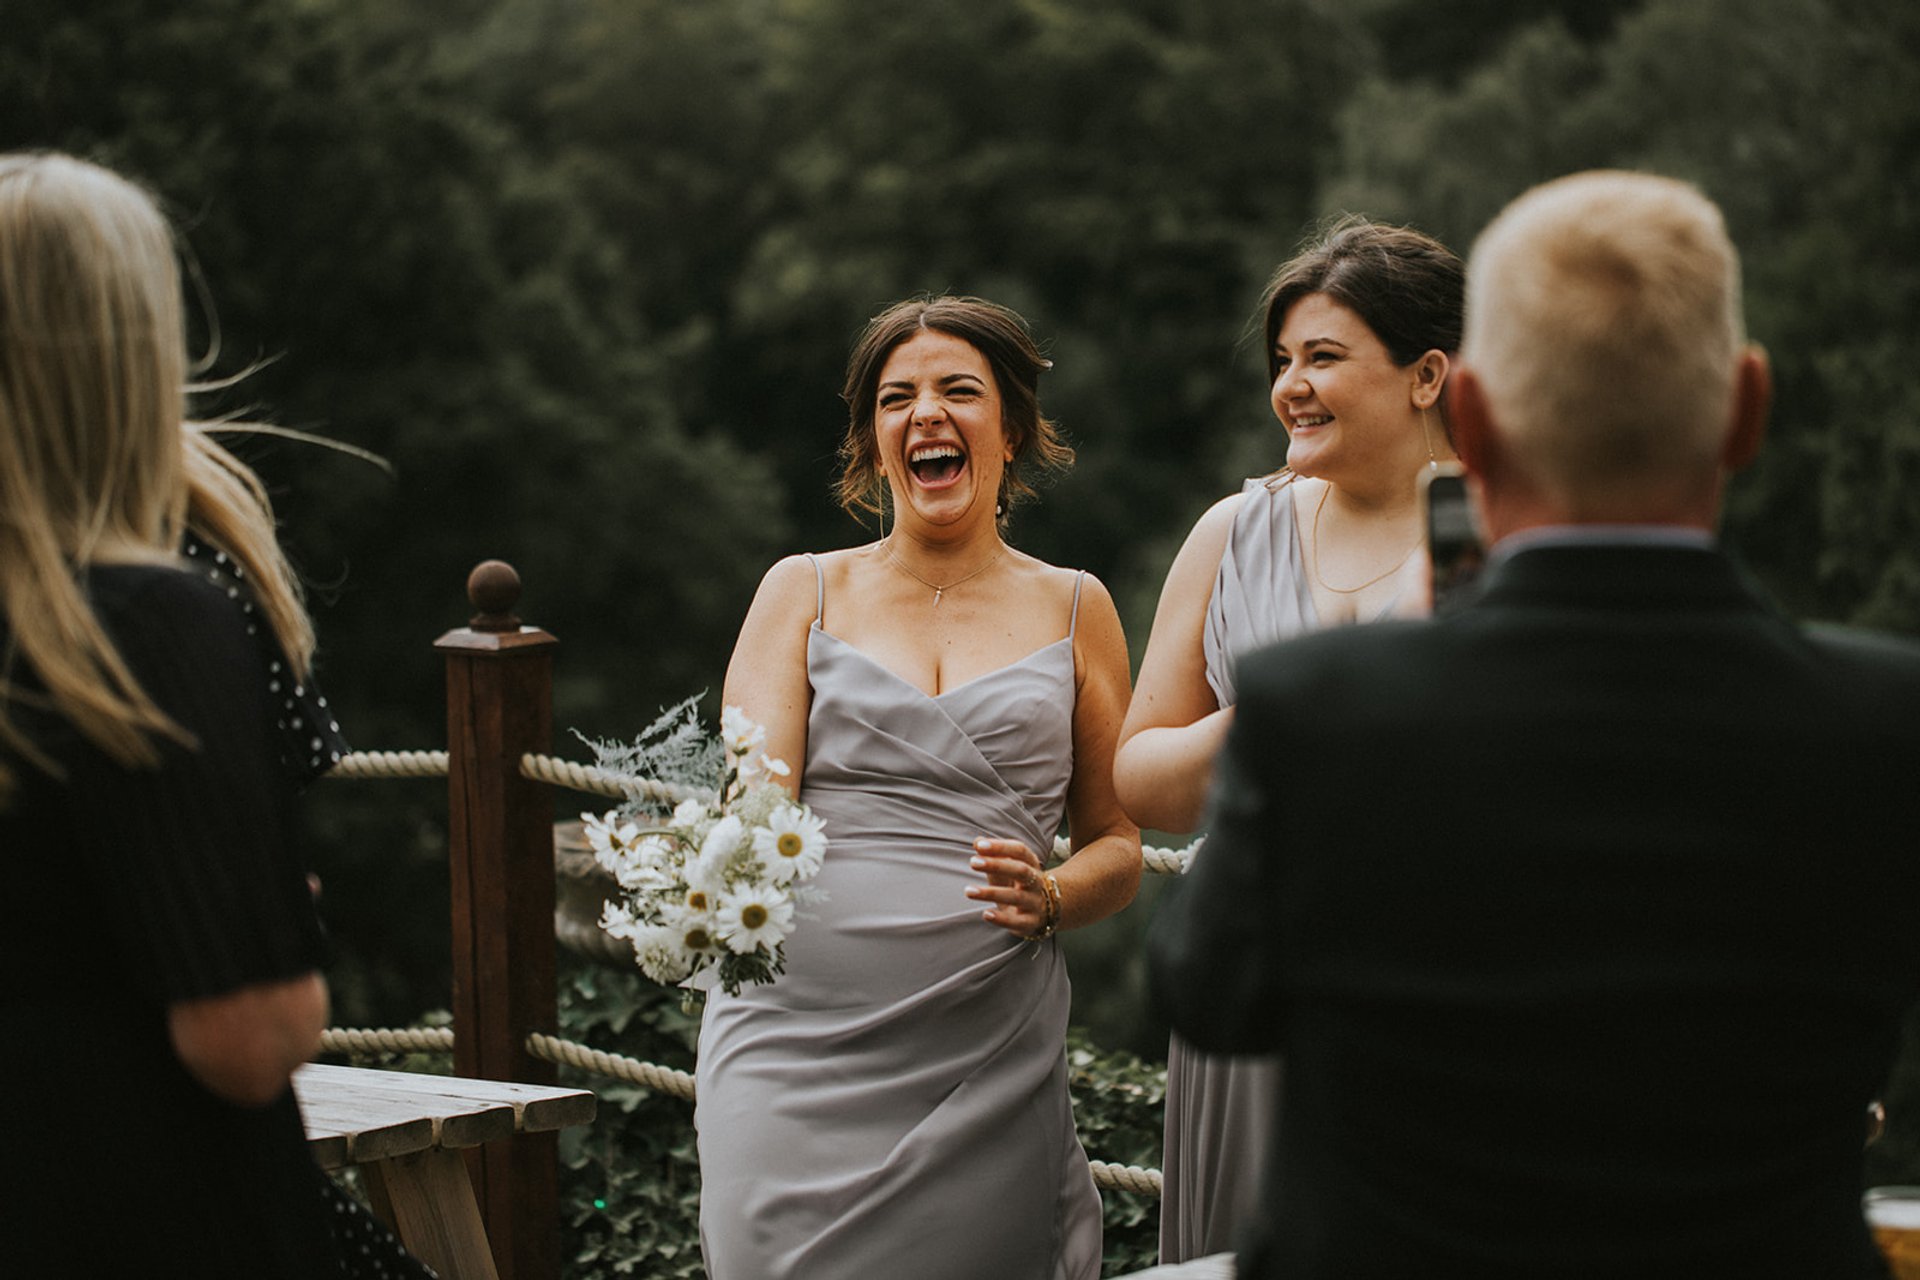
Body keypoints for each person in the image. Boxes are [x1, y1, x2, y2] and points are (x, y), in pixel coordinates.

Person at [1147, 169, 1920, 1279]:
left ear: (1481, 415)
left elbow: (1205, 991)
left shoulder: (1319, 708)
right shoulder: (1886, 724)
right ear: (1746, 405)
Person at [696, 295, 1143, 1279]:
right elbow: (753, 803)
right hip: (791, 1052)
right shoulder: (800, 592)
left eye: (959, 390)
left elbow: (1118, 845)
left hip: (984, 1056)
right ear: (872, 440)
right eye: (897, 397)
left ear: (1012, 426)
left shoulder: (1078, 607)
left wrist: (1056, 895)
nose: (927, 413)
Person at [0, 152, 381, 1276]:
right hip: (121, 1197)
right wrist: (270, 915)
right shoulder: (143, 623)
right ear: (127, 349)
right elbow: (249, 1039)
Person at [1112, 218, 1464, 1263]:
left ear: (1427, 373)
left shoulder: (1508, 533)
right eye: (1282, 362)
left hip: (1444, 972)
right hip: (1255, 973)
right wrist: (1279, 711)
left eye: (1323, 357)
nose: (1289, 387)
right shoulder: (1233, 530)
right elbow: (1144, 781)